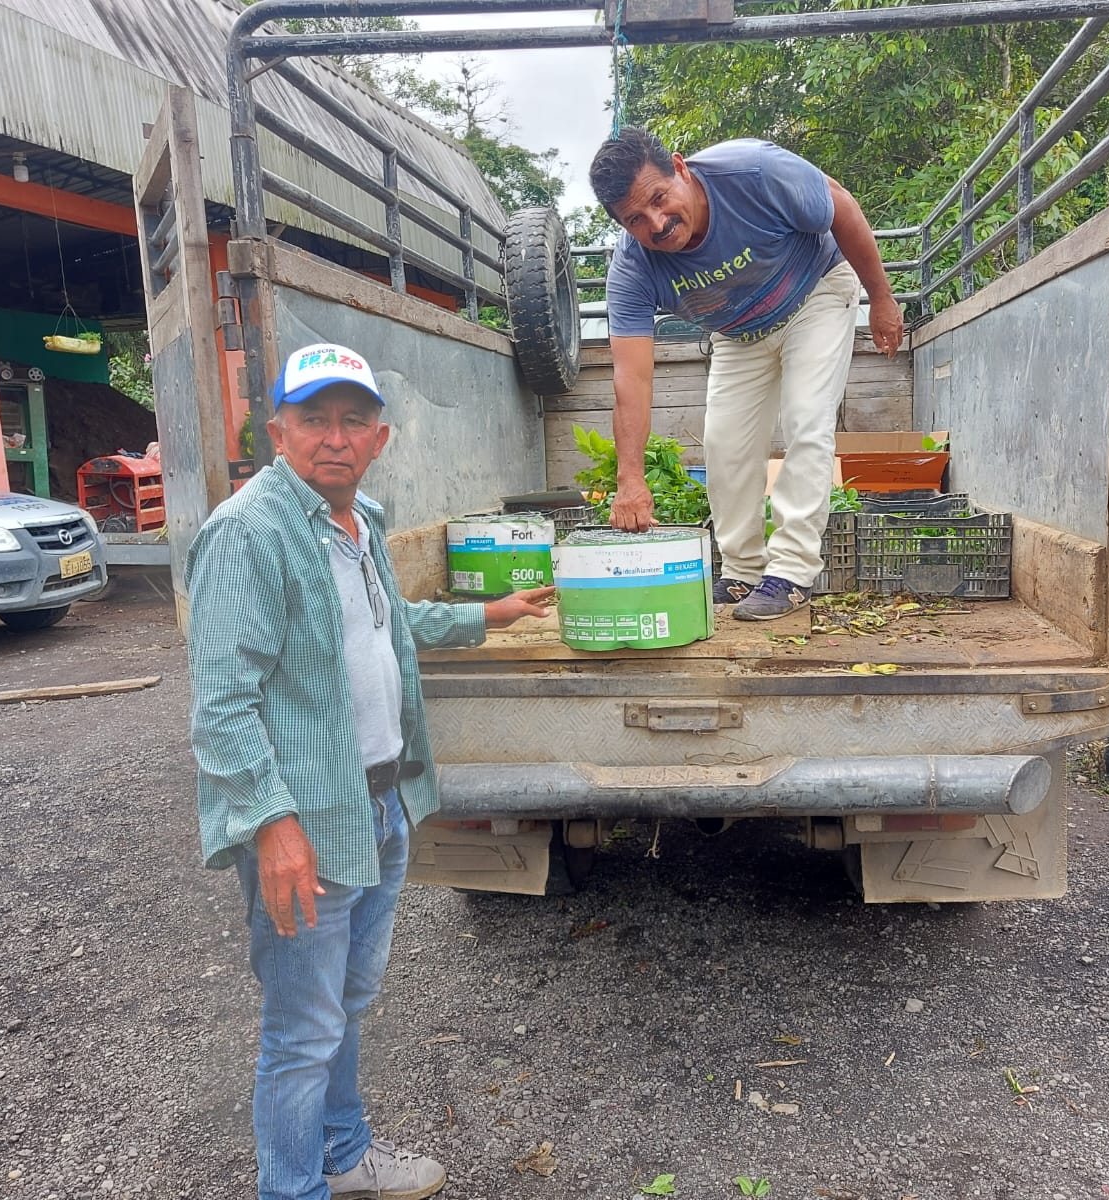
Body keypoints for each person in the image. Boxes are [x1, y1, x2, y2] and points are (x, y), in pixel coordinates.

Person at [187, 342, 552, 1200]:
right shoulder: (248, 533)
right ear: (278, 432)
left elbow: (386, 624)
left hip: (378, 804)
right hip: (306, 824)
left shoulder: (359, 523)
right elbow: (221, 707)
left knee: (344, 1007)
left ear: (379, 439)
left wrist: (485, 616)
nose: (335, 437)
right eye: (314, 419)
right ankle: (294, 1188)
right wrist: (272, 825)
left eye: (353, 421)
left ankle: (344, 1156)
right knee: (301, 1033)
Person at [590, 127, 904, 620]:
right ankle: (742, 570)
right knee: (725, 444)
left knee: (806, 419)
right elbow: (632, 379)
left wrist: (881, 298)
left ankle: (792, 573)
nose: (657, 223)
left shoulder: (752, 171)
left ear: (680, 168)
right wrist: (629, 478)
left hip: (815, 292)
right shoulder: (632, 269)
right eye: (636, 219)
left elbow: (841, 205)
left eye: (659, 198)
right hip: (737, 331)